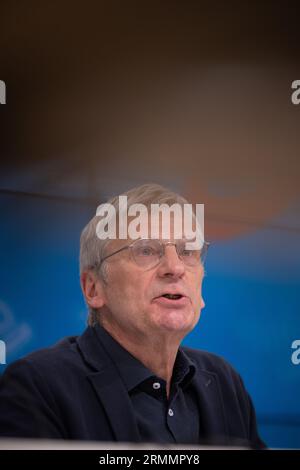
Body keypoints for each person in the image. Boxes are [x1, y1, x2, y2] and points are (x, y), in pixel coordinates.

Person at [0, 183, 266, 448]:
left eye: (187, 251)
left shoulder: (224, 382)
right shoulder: (37, 387)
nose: (174, 268)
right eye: (146, 250)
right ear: (93, 288)